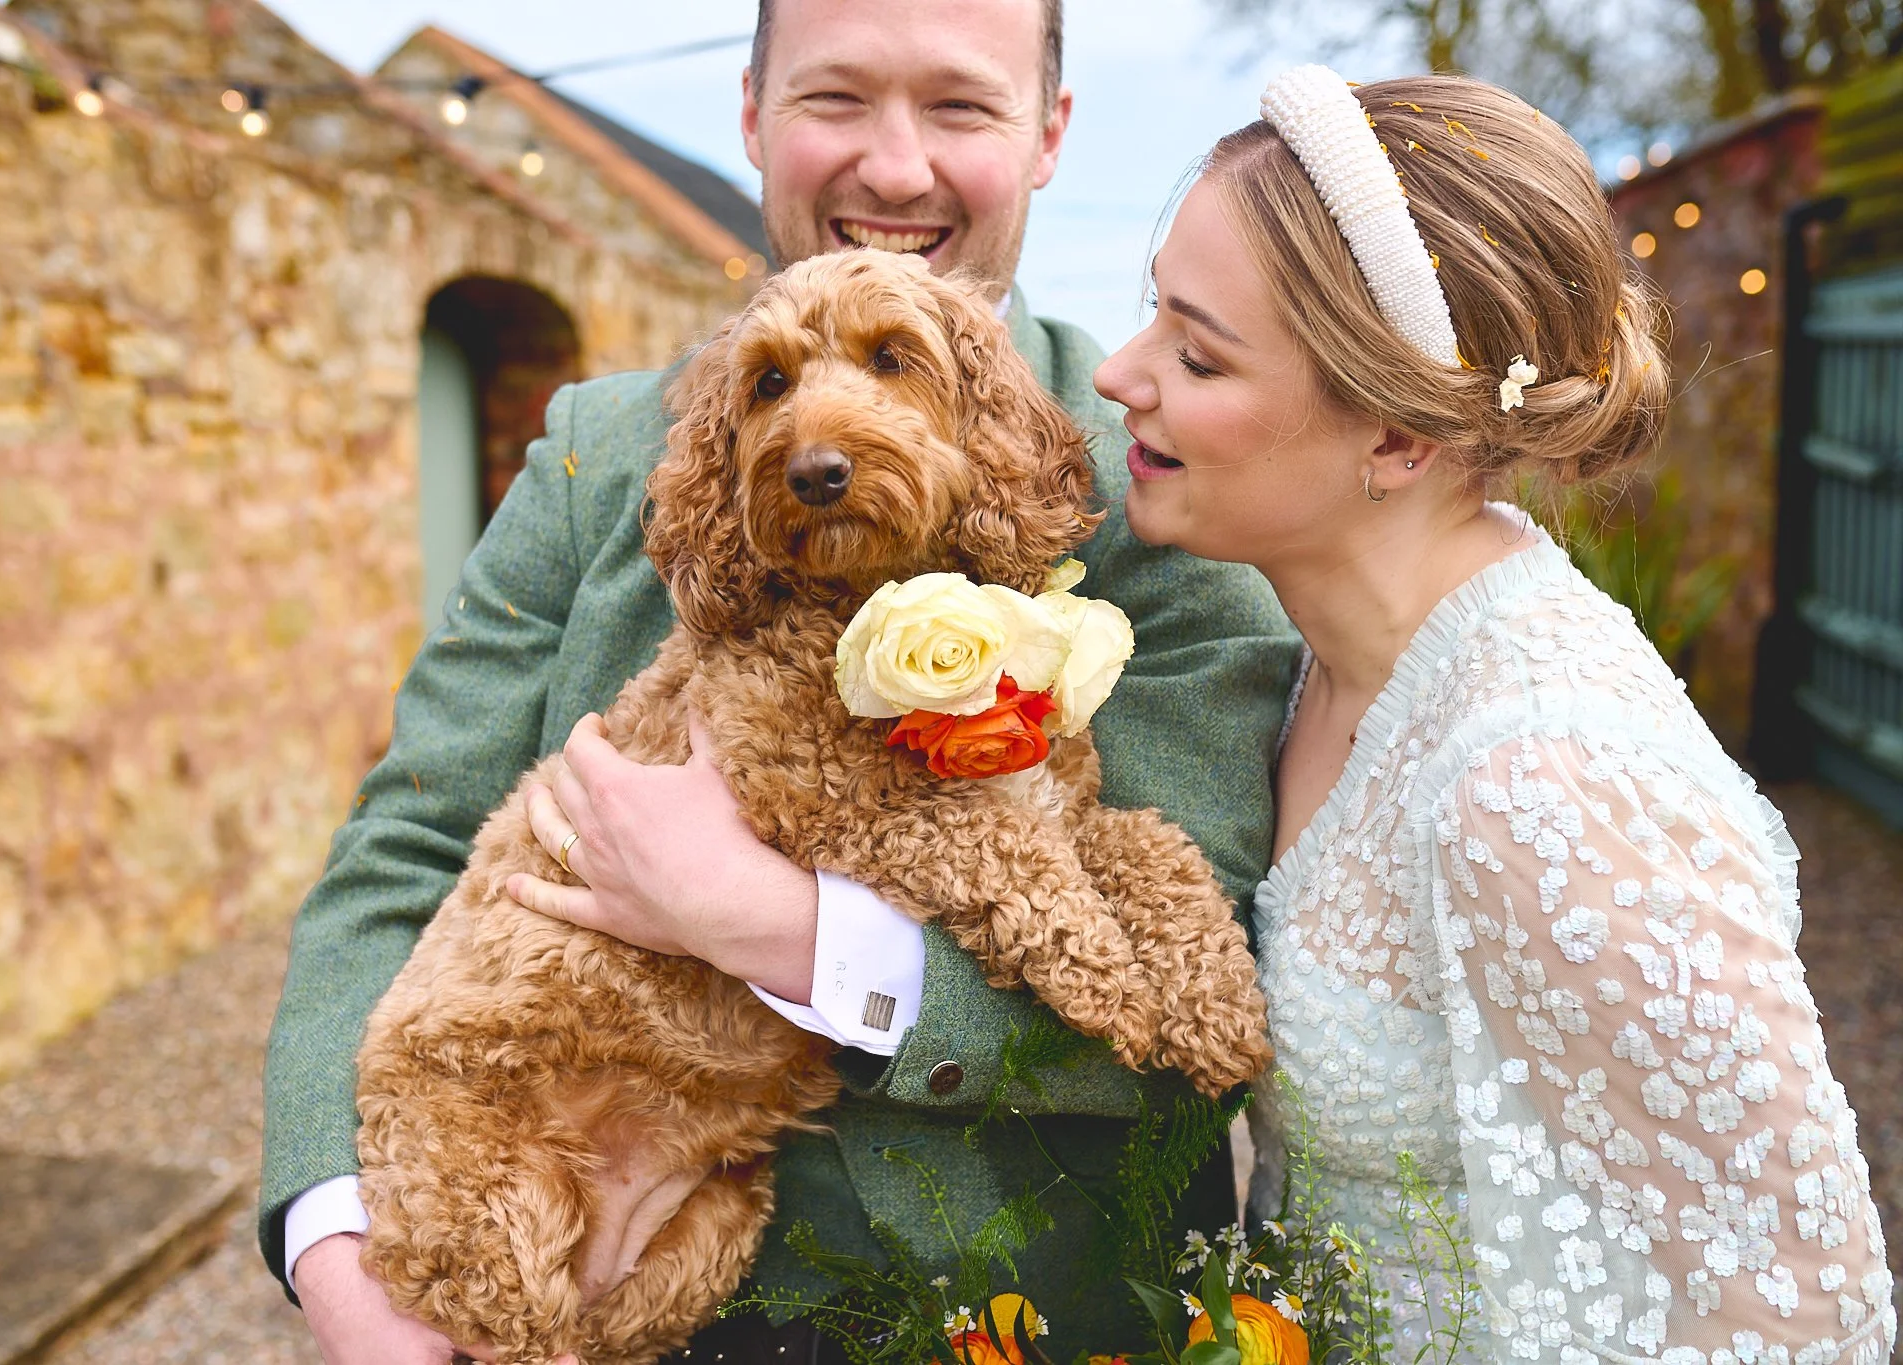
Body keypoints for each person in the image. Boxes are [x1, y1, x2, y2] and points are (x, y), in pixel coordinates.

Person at [260, 2, 1300, 1361]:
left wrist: (780, 927)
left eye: (960, 108)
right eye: (836, 100)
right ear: (750, 114)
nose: (895, 167)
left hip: (1014, 1320)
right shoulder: (598, 452)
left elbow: (1223, 961)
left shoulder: (1154, 469)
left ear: (1048, 134)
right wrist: (342, 1253)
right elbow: (399, 851)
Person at [1093, 65, 1896, 1361]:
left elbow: (1801, 1308)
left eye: (1197, 352)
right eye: (1152, 318)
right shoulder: (1320, 656)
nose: (1124, 374)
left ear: (1401, 442)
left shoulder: (1544, 772)